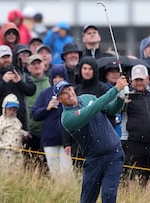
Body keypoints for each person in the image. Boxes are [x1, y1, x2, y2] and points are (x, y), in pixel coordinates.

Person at [57, 74, 128, 202]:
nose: (69, 93)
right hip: (94, 160)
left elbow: (111, 110)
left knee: (109, 196)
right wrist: (115, 89)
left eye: (69, 89)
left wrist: (121, 98)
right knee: (87, 200)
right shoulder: (67, 118)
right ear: (59, 99)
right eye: (63, 93)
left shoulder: (87, 97)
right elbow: (93, 110)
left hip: (114, 154)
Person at [122, 64, 150, 182]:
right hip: (133, 144)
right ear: (131, 81)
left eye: (141, 79)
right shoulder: (127, 96)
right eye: (136, 80)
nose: (139, 83)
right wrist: (121, 102)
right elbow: (116, 111)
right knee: (134, 178)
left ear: (148, 79)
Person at [31, 65, 73, 182]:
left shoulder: (70, 93)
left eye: (61, 76)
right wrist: (47, 108)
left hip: (67, 141)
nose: (58, 79)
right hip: (49, 140)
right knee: (55, 174)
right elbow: (34, 115)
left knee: (67, 174)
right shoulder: (45, 94)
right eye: (55, 77)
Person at [0, 45, 36, 130]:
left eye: (8, 57)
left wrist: (19, 82)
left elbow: (31, 90)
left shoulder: (19, 73)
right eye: (3, 57)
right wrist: (2, 82)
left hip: (20, 119)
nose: (6, 60)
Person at [0, 93, 31, 174]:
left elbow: (17, 130)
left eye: (14, 110)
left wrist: (25, 134)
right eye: (10, 109)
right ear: (4, 108)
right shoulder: (2, 120)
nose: (12, 112)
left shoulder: (17, 121)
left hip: (18, 150)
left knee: (18, 170)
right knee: (6, 171)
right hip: (6, 150)